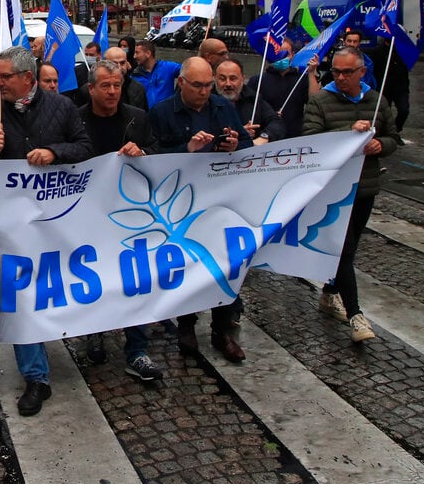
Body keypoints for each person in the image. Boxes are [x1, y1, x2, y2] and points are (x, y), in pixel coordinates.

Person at [0, 46, 92, 416]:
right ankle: (36, 376)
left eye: (5, 76)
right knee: (19, 295)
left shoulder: (63, 107)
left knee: (61, 287)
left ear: (28, 78)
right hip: (12, 224)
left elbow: (86, 147)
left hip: (58, 221)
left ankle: (89, 336)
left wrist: (54, 152)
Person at [148, 57, 253, 363]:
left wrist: (235, 145)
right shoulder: (162, 112)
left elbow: (246, 143)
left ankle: (222, 330)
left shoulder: (222, 107)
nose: (205, 91)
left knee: (224, 263)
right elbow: (152, 157)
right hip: (181, 203)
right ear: (181, 82)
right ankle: (186, 325)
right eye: (198, 85)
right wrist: (187, 150)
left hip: (220, 199)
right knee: (187, 263)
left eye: (208, 85)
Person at [303, 46, 400, 342]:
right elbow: (310, 139)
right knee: (343, 249)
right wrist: (348, 131)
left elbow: (394, 136)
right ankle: (356, 315)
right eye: (336, 71)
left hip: (365, 185)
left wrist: (380, 144)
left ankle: (330, 292)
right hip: (333, 190)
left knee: (352, 245)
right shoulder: (320, 101)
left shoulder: (376, 100)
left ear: (362, 72)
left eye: (347, 72)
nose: (341, 77)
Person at [78, 60, 163, 382]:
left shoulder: (137, 118)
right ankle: (94, 332)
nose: (113, 91)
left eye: (117, 85)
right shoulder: (77, 119)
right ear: (92, 89)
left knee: (134, 279)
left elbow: (156, 150)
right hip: (88, 214)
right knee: (95, 277)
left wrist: (142, 151)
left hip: (130, 214)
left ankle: (137, 349)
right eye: (106, 86)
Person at [246, 39, 320, 139]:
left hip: (293, 136)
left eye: (285, 54)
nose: (281, 58)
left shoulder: (302, 79)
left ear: (292, 55)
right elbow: (248, 107)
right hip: (265, 136)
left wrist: (311, 73)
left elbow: (315, 101)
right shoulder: (258, 80)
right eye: (278, 55)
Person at [215, 58, 285, 145]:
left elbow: (276, 123)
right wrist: (241, 133)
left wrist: (264, 137)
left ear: (242, 79)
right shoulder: (206, 101)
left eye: (233, 79)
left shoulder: (253, 99)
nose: (228, 84)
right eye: (222, 79)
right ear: (214, 79)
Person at [369, 37, 411, 134]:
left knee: (404, 110)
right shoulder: (379, 51)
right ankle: (387, 132)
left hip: (400, 88)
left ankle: (396, 129)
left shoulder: (402, 51)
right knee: (384, 113)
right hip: (384, 87)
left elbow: (404, 71)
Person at [131, 41, 180, 108]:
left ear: (148, 53)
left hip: (168, 115)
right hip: (147, 116)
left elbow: (189, 70)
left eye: (137, 53)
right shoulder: (135, 76)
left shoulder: (167, 68)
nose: (134, 56)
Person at [103, 46, 147, 110]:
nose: (119, 67)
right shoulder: (93, 88)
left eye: (122, 63)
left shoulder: (138, 88)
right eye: (114, 63)